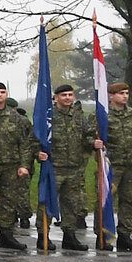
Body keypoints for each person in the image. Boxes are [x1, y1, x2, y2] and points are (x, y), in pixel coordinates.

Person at [0, 82, 33, 249]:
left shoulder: (17, 118)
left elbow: (25, 144)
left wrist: (24, 165)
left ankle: (6, 235)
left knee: (9, 201)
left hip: (11, 165)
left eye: (2, 92)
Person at [43, 83, 96, 251]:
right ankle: (43, 235)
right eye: (63, 95)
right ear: (56, 97)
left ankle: (69, 236)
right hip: (54, 167)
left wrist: (93, 143)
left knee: (72, 204)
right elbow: (37, 138)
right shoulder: (48, 116)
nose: (67, 98)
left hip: (74, 167)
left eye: (70, 95)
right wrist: (39, 153)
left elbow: (87, 136)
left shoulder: (79, 116)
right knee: (47, 202)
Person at [104, 82, 132, 251]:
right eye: (121, 93)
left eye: (126, 93)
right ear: (111, 95)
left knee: (129, 201)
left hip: (130, 165)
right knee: (106, 201)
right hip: (112, 166)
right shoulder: (104, 115)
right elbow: (93, 137)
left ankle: (125, 236)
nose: (125, 96)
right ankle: (104, 236)